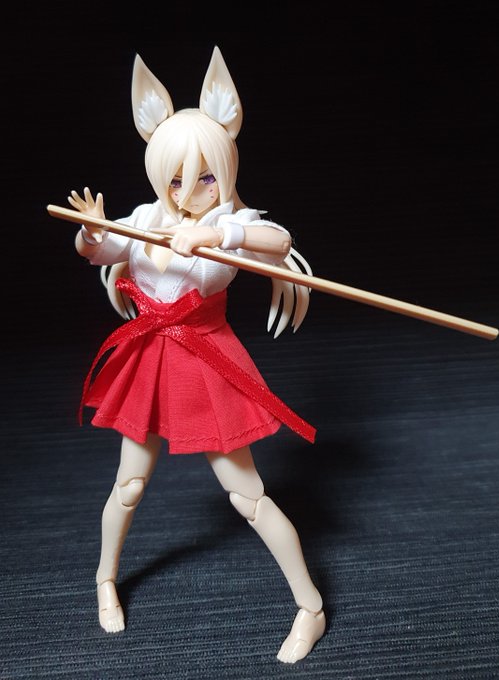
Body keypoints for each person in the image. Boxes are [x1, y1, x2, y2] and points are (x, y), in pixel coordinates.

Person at [69, 46, 325, 664]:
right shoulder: (145, 216)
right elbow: (100, 252)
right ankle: (104, 580)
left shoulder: (232, 221)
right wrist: (93, 233)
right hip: (150, 360)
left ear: (226, 170)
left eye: (206, 177)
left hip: (206, 360)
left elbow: (277, 240)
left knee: (248, 496)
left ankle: (310, 607)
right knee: (129, 484)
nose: (189, 192)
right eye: (176, 179)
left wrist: (217, 231)